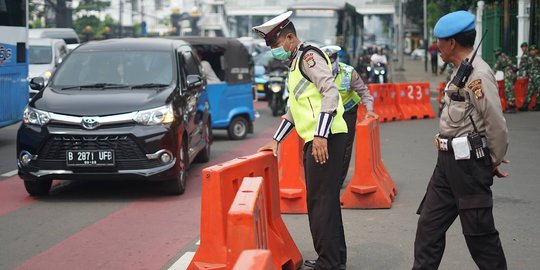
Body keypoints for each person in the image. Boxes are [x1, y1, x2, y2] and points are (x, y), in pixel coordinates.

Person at [413, 10, 509, 270]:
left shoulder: (478, 74)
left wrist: (490, 160)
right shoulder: (460, 71)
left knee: (481, 239)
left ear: (452, 43)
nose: (437, 47)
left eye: (440, 42)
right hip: (445, 165)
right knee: (428, 229)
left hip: (468, 169)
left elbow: (496, 125)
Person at [253, 11, 348, 270]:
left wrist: (320, 134)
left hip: (326, 138)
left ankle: (328, 262)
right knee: (324, 201)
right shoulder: (295, 63)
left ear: (290, 38)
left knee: (320, 202)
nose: (274, 50)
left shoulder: (308, 56)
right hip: (322, 138)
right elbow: (295, 110)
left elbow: (330, 92)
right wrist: (276, 140)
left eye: (275, 44)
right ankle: (334, 259)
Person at [322, 45, 378, 187]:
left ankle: (338, 181)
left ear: (336, 59)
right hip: (328, 112)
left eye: (332, 60)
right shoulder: (317, 74)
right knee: (325, 143)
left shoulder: (349, 73)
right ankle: (326, 176)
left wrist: (369, 110)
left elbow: (364, 93)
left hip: (348, 111)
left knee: (344, 148)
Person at [493, 48, 517, 113]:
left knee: (509, 89)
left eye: (496, 52)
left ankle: (512, 106)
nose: (495, 53)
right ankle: (511, 105)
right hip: (512, 73)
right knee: (510, 89)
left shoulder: (500, 57)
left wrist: (491, 74)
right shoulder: (505, 55)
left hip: (508, 73)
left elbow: (496, 67)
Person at [519, 44, 540, 111]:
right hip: (531, 77)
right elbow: (525, 66)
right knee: (529, 91)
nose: (531, 52)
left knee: (538, 91)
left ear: (536, 50)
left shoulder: (538, 58)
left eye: (533, 50)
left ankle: (538, 105)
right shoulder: (530, 58)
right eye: (531, 50)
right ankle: (525, 105)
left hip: (538, 78)